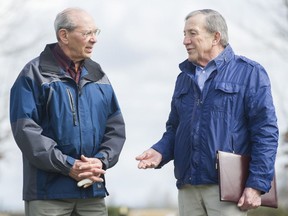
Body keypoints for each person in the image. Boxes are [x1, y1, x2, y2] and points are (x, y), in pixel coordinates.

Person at [136, 9, 278, 216]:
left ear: (216, 37)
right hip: (188, 188)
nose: (185, 41)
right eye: (184, 34)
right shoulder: (183, 78)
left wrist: (256, 184)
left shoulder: (250, 73)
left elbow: (265, 131)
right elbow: (175, 129)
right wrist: (160, 151)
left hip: (228, 190)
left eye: (192, 33)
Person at [10, 7, 125, 216]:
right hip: (48, 195)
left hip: (92, 193)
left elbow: (115, 129)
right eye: (87, 33)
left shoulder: (99, 76)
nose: (93, 39)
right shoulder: (32, 75)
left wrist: (101, 160)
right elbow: (26, 132)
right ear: (64, 35)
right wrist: (68, 165)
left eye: (95, 32)